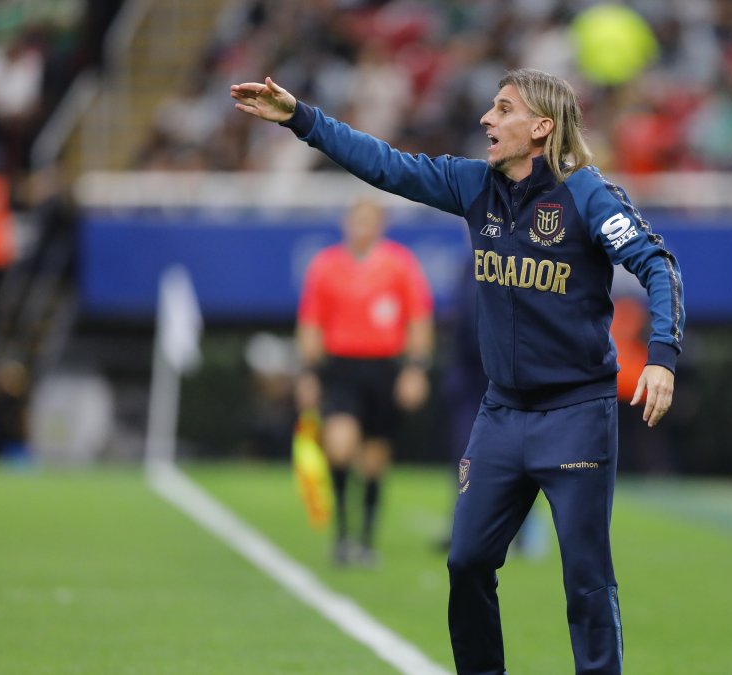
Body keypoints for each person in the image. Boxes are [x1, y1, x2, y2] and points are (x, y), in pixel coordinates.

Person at [233, 68, 685, 675]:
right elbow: (385, 165)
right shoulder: (475, 186)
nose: (487, 120)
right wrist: (301, 118)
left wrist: (661, 358)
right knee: (466, 560)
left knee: (585, 578)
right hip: (501, 414)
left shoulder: (586, 195)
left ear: (541, 128)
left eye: (503, 110)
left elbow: (657, 264)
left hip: (577, 414)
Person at [295, 198, 434, 566]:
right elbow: (310, 323)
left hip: (384, 368)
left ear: (380, 224)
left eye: (369, 220)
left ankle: (366, 539)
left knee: (374, 459)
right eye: (356, 220)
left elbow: (418, 319)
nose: (361, 227)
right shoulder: (326, 266)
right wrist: (309, 372)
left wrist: (415, 368)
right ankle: (342, 533)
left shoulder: (399, 265)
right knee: (339, 446)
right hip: (342, 368)